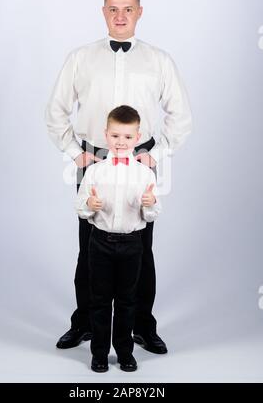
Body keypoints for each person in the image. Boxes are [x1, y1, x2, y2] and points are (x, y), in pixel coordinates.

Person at [45, 0, 192, 355]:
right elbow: (56, 111)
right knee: (88, 248)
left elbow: (181, 116)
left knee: (141, 248)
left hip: (140, 161)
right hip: (93, 159)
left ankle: (142, 325)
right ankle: (85, 324)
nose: (120, 16)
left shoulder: (159, 60)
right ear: (103, 12)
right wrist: (74, 152)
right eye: (113, 9)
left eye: (128, 9)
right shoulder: (80, 57)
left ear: (139, 12)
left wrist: (157, 155)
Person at [76, 105, 161, 372]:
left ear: (137, 138)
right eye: (115, 136)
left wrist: (149, 203)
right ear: (106, 135)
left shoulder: (145, 174)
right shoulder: (94, 171)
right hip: (99, 241)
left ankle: (125, 352)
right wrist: (89, 203)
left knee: (127, 301)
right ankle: (99, 353)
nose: (120, 142)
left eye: (127, 137)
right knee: (100, 300)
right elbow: (80, 208)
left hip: (132, 244)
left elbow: (152, 214)